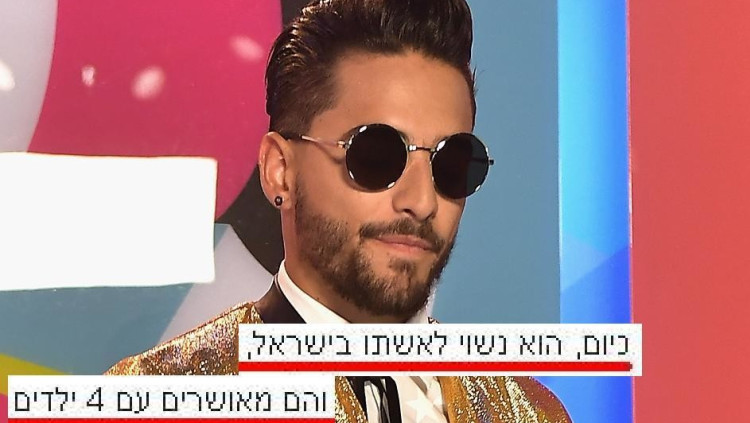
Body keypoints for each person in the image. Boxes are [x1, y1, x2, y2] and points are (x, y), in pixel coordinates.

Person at [106, 0, 571, 421]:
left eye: (450, 164)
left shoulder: (532, 413)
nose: (422, 201)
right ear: (280, 171)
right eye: (376, 155)